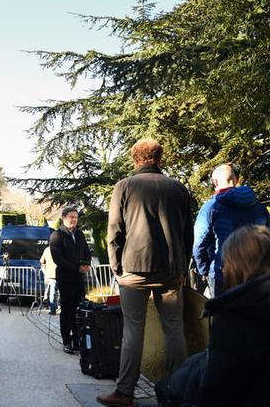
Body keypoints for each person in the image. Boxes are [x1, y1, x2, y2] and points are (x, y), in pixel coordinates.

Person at [98, 139, 193, 407]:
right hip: (171, 270)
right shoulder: (178, 188)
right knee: (174, 328)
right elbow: (188, 233)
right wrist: (183, 266)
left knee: (133, 330)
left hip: (134, 268)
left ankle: (125, 392)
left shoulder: (125, 186)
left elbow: (114, 231)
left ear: (135, 159)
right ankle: (176, 392)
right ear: (159, 158)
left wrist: (116, 267)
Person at [156, 225, 270, 407]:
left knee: (174, 384)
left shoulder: (234, 316)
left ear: (235, 267)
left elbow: (217, 388)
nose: (223, 269)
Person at [193, 163, 269, 297]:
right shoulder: (260, 208)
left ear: (215, 182)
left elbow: (198, 243)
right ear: (236, 179)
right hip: (256, 274)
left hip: (222, 274)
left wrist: (203, 270)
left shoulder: (211, 207)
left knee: (222, 310)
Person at [50, 206, 91, 353]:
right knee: (67, 310)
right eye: (71, 217)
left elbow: (86, 252)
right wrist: (76, 268)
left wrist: (86, 264)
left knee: (79, 309)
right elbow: (57, 258)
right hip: (66, 278)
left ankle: (77, 341)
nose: (74, 220)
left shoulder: (79, 234)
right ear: (64, 218)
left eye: (76, 217)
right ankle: (67, 341)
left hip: (79, 279)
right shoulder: (57, 235)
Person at [39, 245, 58, 315]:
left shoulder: (47, 249)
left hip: (51, 274)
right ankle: (54, 308)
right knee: (55, 292)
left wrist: (45, 272)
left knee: (52, 292)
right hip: (58, 274)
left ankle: (53, 308)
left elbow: (42, 262)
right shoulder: (62, 248)